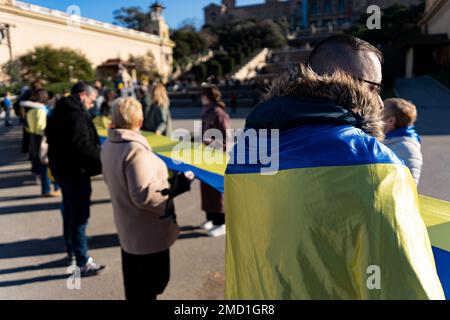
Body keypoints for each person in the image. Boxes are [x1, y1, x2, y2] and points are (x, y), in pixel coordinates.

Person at [224, 35, 444, 299]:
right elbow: (405, 288)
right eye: (374, 87)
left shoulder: (244, 153)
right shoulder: (373, 162)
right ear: (346, 81)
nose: (381, 102)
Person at [101, 97, 194, 300]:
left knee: (135, 288)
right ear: (140, 122)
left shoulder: (109, 144)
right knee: (151, 286)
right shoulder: (135, 151)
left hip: (128, 228)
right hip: (148, 234)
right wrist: (179, 185)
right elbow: (145, 196)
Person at [45, 81, 105, 276]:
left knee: (69, 212)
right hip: (75, 172)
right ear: (82, 95)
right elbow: (82, 147)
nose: (91, 105)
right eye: (91, 101)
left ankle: (72, 252)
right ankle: (82, 260)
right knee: (79, 216)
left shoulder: (58, 110)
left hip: (63, 171)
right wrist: (104, 156)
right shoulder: (75, 114)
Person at [199, 86, 230, 237]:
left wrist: (211, 143)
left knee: (216, 190)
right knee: (206, 187)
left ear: (209, 97)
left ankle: (221, 222)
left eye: (203, 95)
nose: (201, 98)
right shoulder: (206, 111)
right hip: (205, 155)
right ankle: (210, 218)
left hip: (216, 156)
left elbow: (226, 139)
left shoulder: (219, 114)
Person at [23, 88, 60, 197]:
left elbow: (27, 126)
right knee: (49, 164)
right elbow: (42, 126)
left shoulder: (30, 111)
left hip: (34, 138)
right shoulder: (42, 110)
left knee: (44, 164)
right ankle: (50, 188)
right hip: (44, 139)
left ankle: (49, 188)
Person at [383, 98, 423, 185]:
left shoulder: (407, 148)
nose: (375, 115)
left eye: (380, 112)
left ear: (391, 121)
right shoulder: (389, 141)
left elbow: (410, 185)